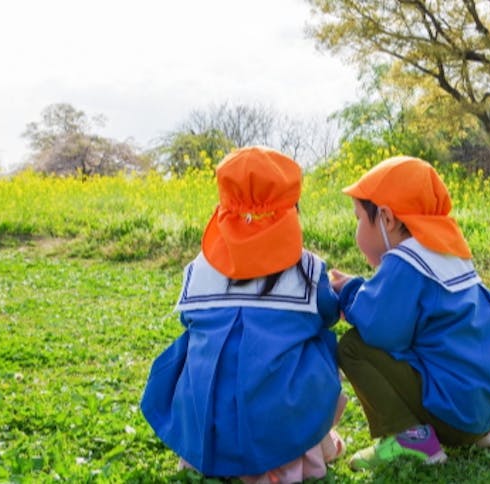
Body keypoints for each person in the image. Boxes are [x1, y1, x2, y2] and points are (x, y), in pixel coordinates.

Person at [141, 146, 345, 483]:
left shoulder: (200, 267)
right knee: (320, 342)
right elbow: (327, 313)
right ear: (291, 210)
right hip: (278, 425)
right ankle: (308, 446)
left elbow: (190, 322)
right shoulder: (308, 269)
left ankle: (210, 451)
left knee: (194, 345)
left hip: (205, 428)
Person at [330, 156, 490, 470]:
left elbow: (380, 329)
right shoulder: (447, 251)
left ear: (386, 219)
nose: (356, 229)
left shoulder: (406, 261)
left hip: (456, 415)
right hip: (484, 408)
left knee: (353, 346)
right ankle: (478, 435)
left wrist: (350, 294)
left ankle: (410, 440)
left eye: (357, 218)